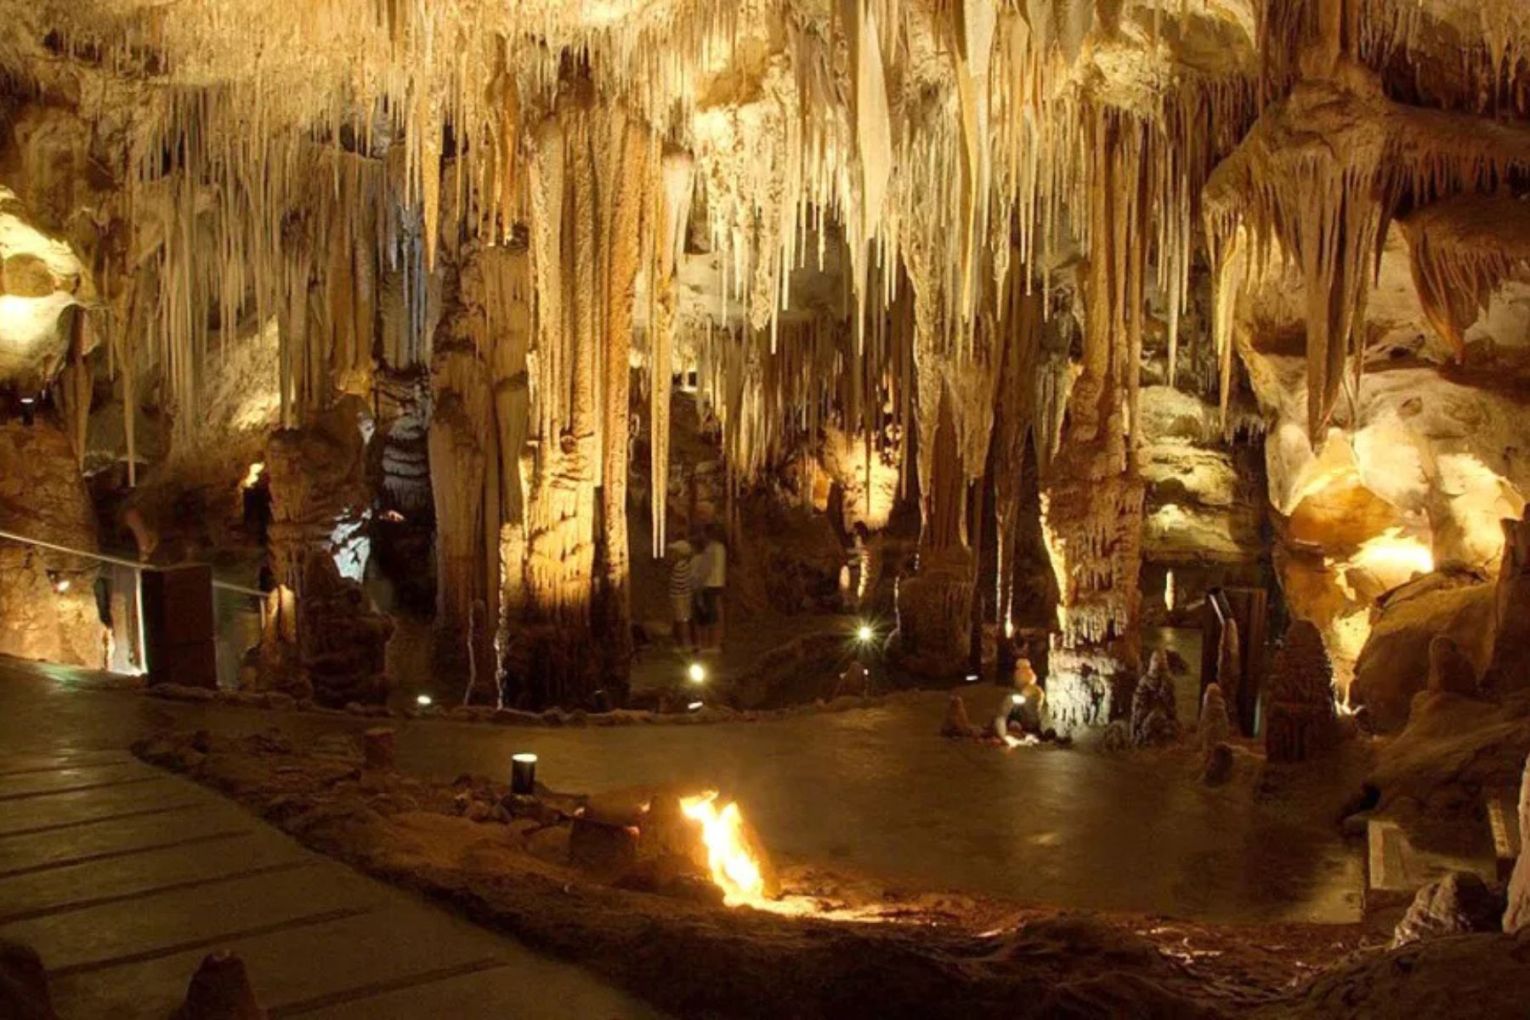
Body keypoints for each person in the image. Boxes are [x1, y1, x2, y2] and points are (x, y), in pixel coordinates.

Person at [692, 524, 727, 651]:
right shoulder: (721, 548)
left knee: (708, 616)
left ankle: (710, 644)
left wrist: (698, 584)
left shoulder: (710, 549)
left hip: (709, 584)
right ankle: (716, 642)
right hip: (718, 583)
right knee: (717, 613)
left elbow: (706, 569)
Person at [666, 539, 696, 652]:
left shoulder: (680, 567)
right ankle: (684, 643)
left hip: (680, 598)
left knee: (683, 621)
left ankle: (685, 644)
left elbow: (678, 584)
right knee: (683, 621)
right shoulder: (686, 565)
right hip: (683, 597)